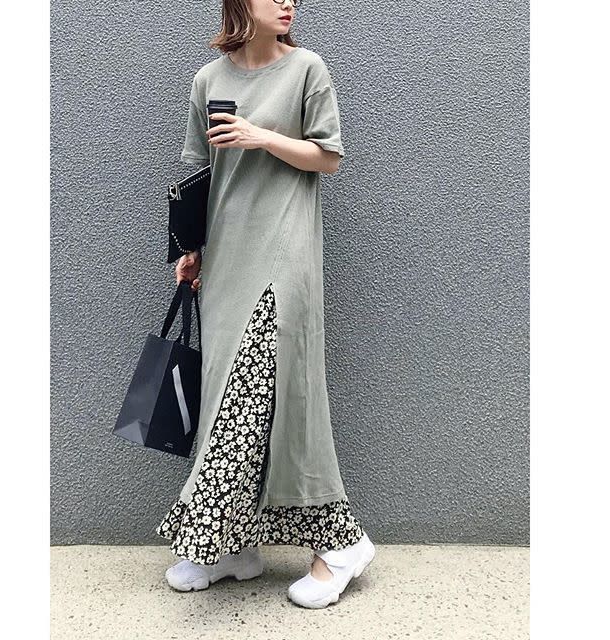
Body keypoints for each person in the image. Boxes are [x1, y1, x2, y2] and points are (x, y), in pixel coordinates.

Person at [155, 0, 375, 609]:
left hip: (284, 252)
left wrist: (261, 135)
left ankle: (341, 543)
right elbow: (204, 173)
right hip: (227, 258)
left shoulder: (307, 69)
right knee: (223, 400)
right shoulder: (209, 79)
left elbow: (328, 156)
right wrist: (191, 248)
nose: (288, 2)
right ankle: (233, 547)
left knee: (268, 398)